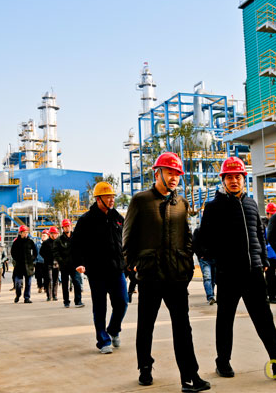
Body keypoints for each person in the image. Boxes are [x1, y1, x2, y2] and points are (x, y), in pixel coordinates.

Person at [199, 156, 276, 380]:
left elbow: (259, 234)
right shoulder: (214, 207)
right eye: (229, 177)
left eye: (238, 177)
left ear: (243, 179)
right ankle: (222, 362)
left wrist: (263, 261)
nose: (234, 180)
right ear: (223, 180)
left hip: (254, 272)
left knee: (264, 318)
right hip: (228, 273)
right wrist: (217, 259)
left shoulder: (251, 204)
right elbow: (203, 238)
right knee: (225, 319)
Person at [123, 152, 209, 391]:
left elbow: (187, 238)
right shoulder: (141, 200)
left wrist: (188, 265)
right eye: (169, 173)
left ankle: (190, 376)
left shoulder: (181, 204)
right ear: (157, 173)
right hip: (150, 275)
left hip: (176, 276)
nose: (173, 178)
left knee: (183, 327)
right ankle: (145, 367)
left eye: (177, 174)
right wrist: (133, 264)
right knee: (146, 325)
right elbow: (127, 237)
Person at [73, 182, 128, 354]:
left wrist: (129, 262)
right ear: (98, 199)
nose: (111, 200)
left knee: (122, 302)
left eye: (113, 197)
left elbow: (125, 241)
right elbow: (76, 244)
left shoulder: (117, 218)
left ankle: (113, 329)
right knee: (100, 307)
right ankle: (103, 341)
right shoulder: (86, 220)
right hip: (97, 271)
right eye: (108, 197)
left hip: (117, 269)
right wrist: (79, 262)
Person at [54, 219, 84, 308]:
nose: (67, 228)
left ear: (71, 227)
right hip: (64, 266)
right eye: (65, 226)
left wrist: (81, 262)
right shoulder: (59, 240)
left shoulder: (77, 238)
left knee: (77, 282)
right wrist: (61, 261)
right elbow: (55, 252)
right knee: (65, 284)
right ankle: (66, 301)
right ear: (63, 228)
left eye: (69, 226)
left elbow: (81, 250)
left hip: (75, 265)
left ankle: (78, 301)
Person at [11, 225, 37, 303]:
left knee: (28, 283)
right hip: (19, 266)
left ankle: (27, 297)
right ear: (20, 233)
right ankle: (18, 294)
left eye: (27, 232)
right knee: (18, 283)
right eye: (24, 232)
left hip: (28, 265)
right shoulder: (16, 242)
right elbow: (12, 253)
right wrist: (17, 260)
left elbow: (35, 252)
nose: (26, 234)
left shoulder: (30, 242)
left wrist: (32, 259)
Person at [193, 225, 216, 305]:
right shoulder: (198, 230)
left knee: (213, 279)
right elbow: (194, 244)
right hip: (204, 259)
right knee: (207, 277)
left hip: (214, 258)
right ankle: (210, 296)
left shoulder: (215, 229)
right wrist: (200, 255)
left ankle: (211, 294)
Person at [263, 203, 276, 304]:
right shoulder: (263, 225)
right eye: (272, 214)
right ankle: (271, 296)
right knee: (270, 277)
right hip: (269, 255)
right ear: (267, 214)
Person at [40, 226, 60, 302]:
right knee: (49, 279)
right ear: (50, 234)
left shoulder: (58, 242)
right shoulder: (46, 243)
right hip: (48, 264)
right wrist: (47, 258)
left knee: (55, 280)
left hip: (56, 263)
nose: (55, 235)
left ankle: (55, 295)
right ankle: (49, 295)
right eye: (54, 234)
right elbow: (41, 252)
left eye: (56, 234)